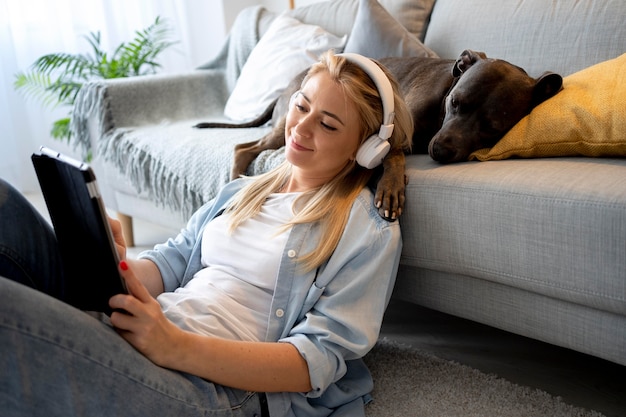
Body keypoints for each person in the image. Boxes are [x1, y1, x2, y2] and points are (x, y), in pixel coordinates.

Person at [0, 50, 414, 417]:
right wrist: (115, 258)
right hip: (148, 331)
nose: (301, 128)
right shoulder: (244, 190)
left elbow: (314, 361)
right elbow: (172, 261)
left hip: (210, 387)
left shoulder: (366, 230)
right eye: (301, 106)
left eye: (327, 125)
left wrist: (173, 345)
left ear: (367, 149)